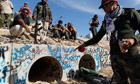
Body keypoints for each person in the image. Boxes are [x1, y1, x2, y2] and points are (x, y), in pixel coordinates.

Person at [75, 0, 140, 84]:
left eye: (105, 6)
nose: (103, 9)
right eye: (102, 7)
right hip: (115, 58)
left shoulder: (130, 13)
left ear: (113, 3)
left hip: (130, 57)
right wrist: (84, 44)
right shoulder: (107, 20)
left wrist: (133, 39)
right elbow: (98, 37)